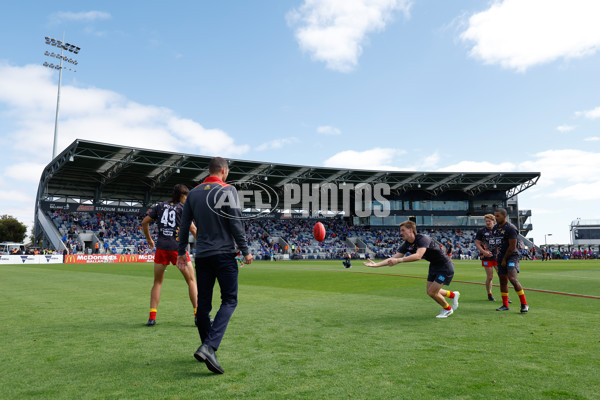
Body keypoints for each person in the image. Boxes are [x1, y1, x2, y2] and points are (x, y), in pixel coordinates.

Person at [177, 157, 253, 374]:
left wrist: (182, 251)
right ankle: (209, 346)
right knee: (229, 300)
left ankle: (205, 348)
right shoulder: (228, 190)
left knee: (203, 305)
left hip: (202, 256)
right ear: (224, 171)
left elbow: (184, 226)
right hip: (224, 255)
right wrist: (245, 250)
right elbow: (235, 222)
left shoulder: (193, 193)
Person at [363, 220, 459, 319]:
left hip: (445, 267)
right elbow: (393, 258)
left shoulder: (422, 238)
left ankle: (448, 309)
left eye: (403, 230)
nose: (401, 233)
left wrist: (399, 260)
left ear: (410, 230)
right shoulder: (406, 244)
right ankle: (452, 295)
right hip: (434, 266)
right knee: (430, 291)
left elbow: (418, 256)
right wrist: (376, 265)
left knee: (432, 292)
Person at [142, 184, 198, 327]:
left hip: (161, 248)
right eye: (186, 197)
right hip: (177, 249)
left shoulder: (160, 206)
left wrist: (149, 239)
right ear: (182, 196)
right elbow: (193, 229)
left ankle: (152, 318)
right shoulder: (183, 208)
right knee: (191, 281)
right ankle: (198, 315)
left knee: (157, 282)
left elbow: (144, 222)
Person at [492, 208, 529, 313]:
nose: (496, 218)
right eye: (495, 215)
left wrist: (504, 259)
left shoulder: (511, 228)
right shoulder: (495, 229)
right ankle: (505, 305)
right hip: (501, 256)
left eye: (498, 216)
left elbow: (512, 247)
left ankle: (524, 304)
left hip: (512, 256)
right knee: (502, 280)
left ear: (504, 216)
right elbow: (497, 243)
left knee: (512, 279)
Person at [475, 214, 501, 301]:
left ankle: (505, 295)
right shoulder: (481, 231)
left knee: (502, 276)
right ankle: (489, 294)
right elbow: (477, 243)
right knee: (490, 277)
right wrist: (484, 252)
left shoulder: (499, 230)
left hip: (498, 256)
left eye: (489, 221)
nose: (487, 223)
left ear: (494, 221)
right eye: (486, 221)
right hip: (486, 257)